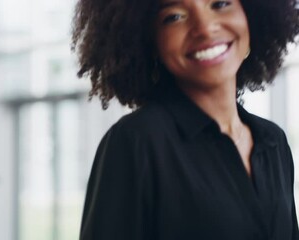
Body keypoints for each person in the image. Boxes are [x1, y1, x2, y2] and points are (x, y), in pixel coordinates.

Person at [71, 0, 299, 239]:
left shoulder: (274, 142)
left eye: (220, 4)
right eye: (174, 17)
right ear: (150, 42)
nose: (204, 27)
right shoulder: (136, 142)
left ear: (252, 16)